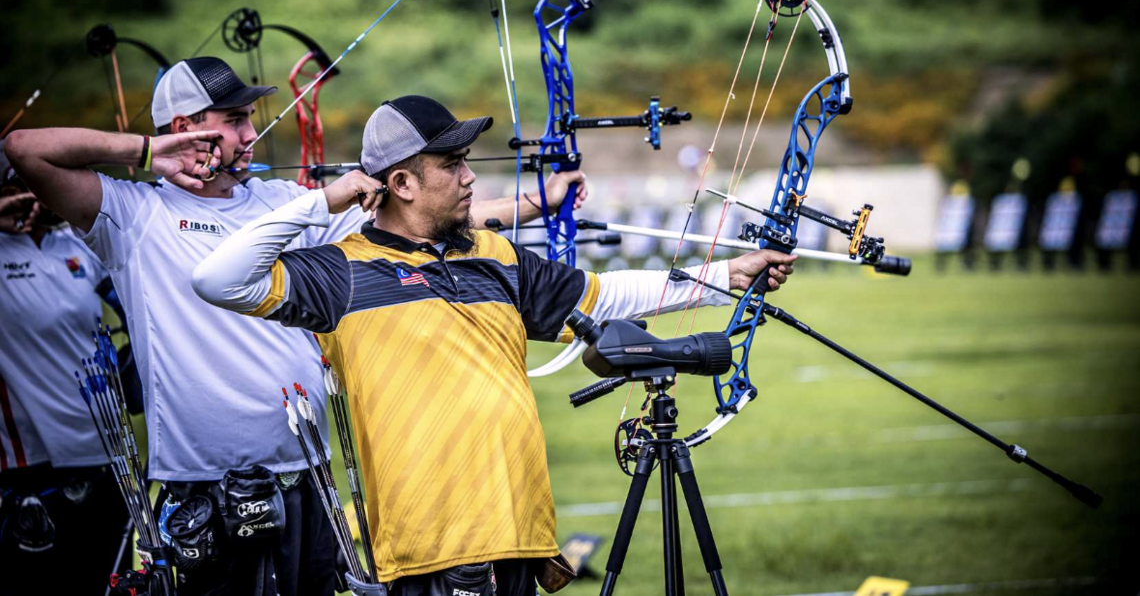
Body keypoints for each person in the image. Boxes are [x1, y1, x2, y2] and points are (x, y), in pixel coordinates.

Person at [2, 59, 585, 595]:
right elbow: (25, 148)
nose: (250, 133)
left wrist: (541, 198)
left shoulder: (279, 200)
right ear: (185, 125)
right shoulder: (130, 214)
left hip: (306, 477)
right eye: (233, 121)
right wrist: (151, 151)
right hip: (204, 485)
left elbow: (417, 221)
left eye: (249, 117)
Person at [190, 95, 796, 594]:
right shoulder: (340, 272)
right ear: (400, 182)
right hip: (430, 546)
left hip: (517, 533)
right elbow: (218, 279)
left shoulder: (493, 254)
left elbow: (602, 295)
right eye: (451, 163)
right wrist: (326, 200)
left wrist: (723, 278)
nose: (469, 175)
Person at [0, 143, 132, 593]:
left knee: (112, 580)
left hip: (105, 449)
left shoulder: (73, 242)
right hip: (30, 465)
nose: (38, 198)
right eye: (24, 186)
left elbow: (136, 300)